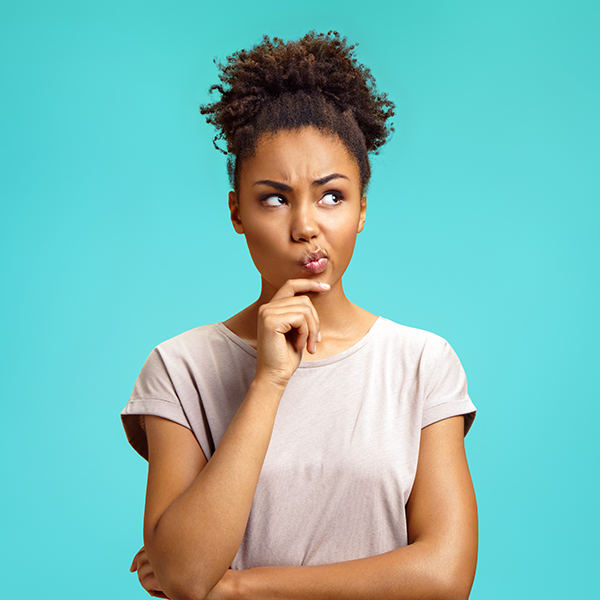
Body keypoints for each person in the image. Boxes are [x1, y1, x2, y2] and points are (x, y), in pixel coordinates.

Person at [122, 31, 478, 600]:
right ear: (237, 210)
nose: (306, 226)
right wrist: (268, 381)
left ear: (362, 208)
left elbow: (444, 575)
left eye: (332, 196)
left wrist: (240, 588)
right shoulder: (180, 368)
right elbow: (186, 575)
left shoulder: (422, 364)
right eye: (274, 198)